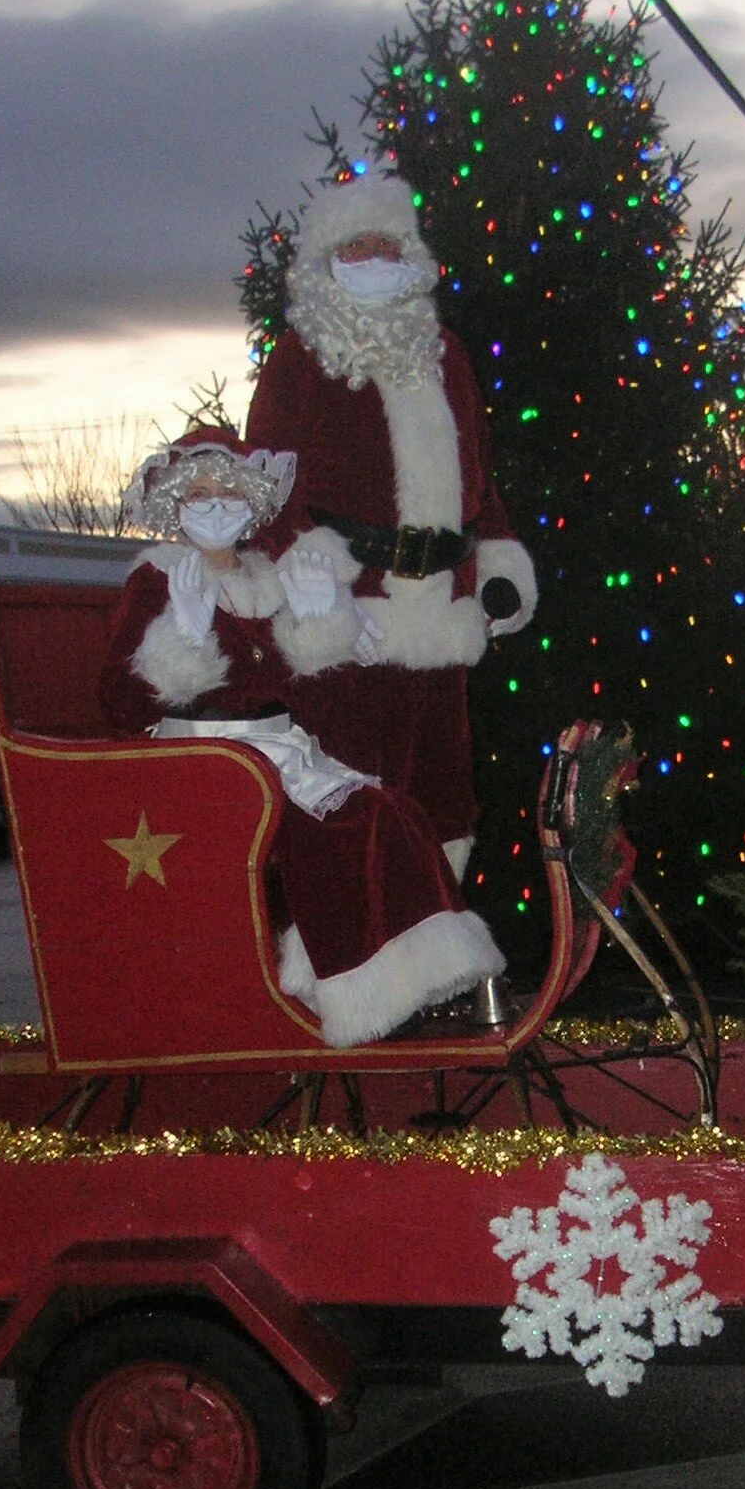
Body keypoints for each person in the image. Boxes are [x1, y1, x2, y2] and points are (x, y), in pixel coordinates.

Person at [98, 436, 504, 1047]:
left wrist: (322, 629)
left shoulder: (269, 581)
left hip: (278, 752)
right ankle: (353, 996)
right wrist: (181, 635)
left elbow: (303, 701)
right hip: (206, 765)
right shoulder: (159, 578)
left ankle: (396, 985)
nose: (215, 506)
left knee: (391, 811)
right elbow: (120, 704)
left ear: (253, 502)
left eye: (229, 492)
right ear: (173, 507)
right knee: (336, 829)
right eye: (200, 495)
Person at [243, 166, 537, 881]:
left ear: (411, 258)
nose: (375, 260)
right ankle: (346, 981)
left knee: (444, 809)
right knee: (353, 808)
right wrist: (306, 572)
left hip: (441, 617)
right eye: (356, 248)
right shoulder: (299, 360)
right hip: (352, 622)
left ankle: (432, 965)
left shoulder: (448, 356)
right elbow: (264, 483)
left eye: (388, 246)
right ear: (325, 263)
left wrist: (497, 560)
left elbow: (479, 481)